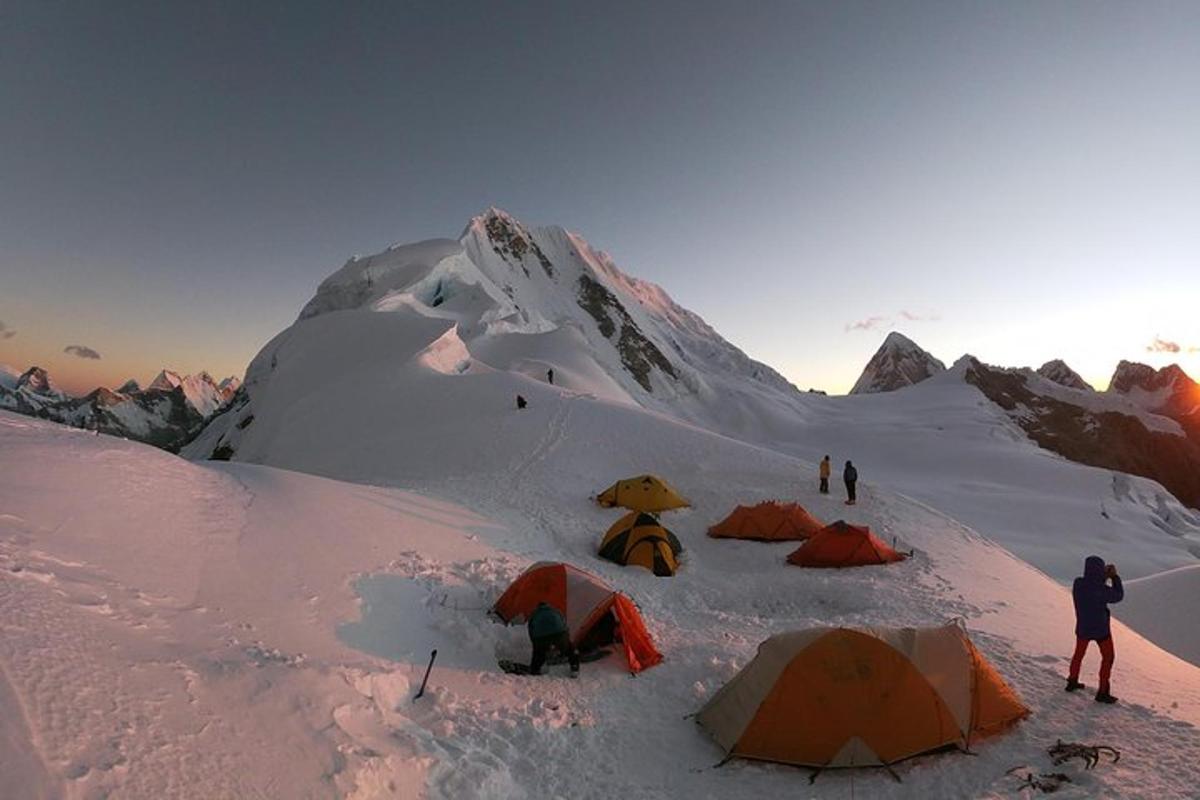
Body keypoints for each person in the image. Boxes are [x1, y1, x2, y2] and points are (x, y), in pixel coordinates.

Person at [1067, 556, 1124, 703]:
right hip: (1101, 630)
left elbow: (1092, 589)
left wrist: (1102, 578)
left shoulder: (1078, 584)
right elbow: (1118, 596)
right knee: (1108, 658)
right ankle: (1102, 692)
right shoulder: (1101, 589)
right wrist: (1114, 577)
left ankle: (1072, 681)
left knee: (1078, 655)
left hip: (1083, 628)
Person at [527, 601, 579, 677]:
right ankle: (574, 668)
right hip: (559, 635)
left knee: (538, 652)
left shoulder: (534, 614)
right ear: (548, 606)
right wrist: (566, 639)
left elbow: (531, 630)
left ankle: (535, 669)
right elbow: (564, 623)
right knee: (570, 649)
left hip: (541, 638)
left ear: (538, 607)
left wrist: (535, 644)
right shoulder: (555, 611)